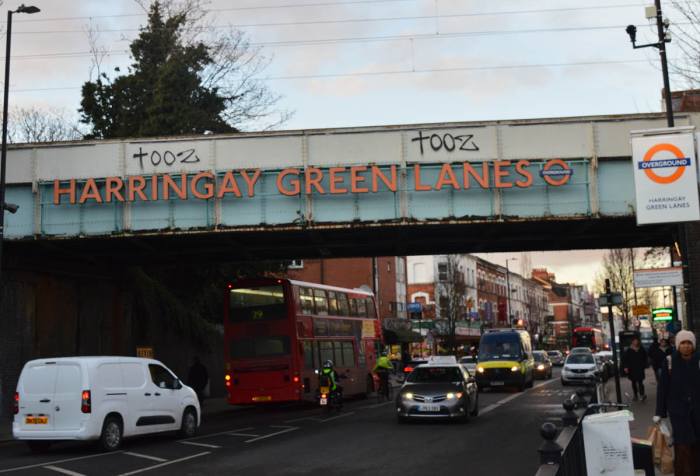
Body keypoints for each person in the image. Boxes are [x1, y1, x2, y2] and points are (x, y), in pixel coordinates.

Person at [655, 330, 700, 476]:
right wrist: (659, 413)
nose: (686, 346)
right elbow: (663, 388)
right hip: (678, 412)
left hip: (698, 411)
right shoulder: (669, 361)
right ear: (677, 345)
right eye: (683, 343)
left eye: (689, 343)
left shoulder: (698, 360)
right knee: (682, 446)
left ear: (693, 345)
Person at [622, 336, 648, 401]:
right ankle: (635, 395)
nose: (636, 342)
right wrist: (626, 367)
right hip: (632, 368)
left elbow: (645, 357)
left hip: (639, 368)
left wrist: (644, 364)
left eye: (637, 341)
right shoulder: (628, 350)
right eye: (634, 341)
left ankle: (642, 394)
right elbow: (625, 359)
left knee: (640, 382)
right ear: (632, 342)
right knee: (633, 382)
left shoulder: (641, 349)